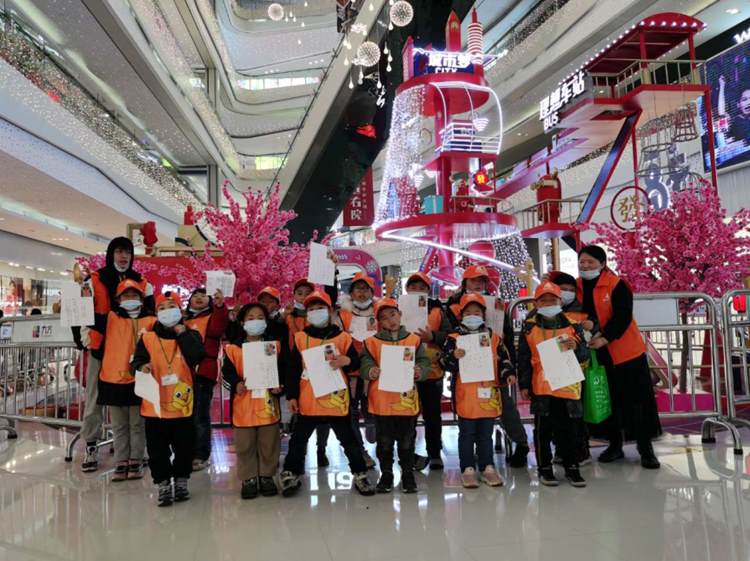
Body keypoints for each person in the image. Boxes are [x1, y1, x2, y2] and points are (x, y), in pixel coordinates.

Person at [279, 290, 375, 497]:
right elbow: (292, 370)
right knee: (299, 439)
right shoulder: (300, 338)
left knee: (348, 439)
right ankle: (291, 472)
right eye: (311, 309)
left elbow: (356, 362)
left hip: (336, 400)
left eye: (320, 308)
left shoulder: (343, 338)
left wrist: (347, 361)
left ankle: (359, 472)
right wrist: (292, 396)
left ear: (330, 311)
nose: (316, 312)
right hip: (309, 400)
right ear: (307, 314)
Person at [576, 245, 661, 469]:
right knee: (607, 400)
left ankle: (646, 449)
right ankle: (614, 445)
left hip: (626, 353)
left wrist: (605, 337)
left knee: (637, 402)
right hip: (598, 356)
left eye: (590, 262)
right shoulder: (577, 286)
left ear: (602, 264)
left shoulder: (616, 284)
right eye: (582, 262)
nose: (585, 266)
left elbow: (623, 316)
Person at [80, 237, 153, 473]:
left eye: (128, 252)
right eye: (119, 252)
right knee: (94, 398)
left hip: (134, 350)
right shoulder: (95, 279)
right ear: (111, 253)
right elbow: (80, 312)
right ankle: (91, 444)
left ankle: (137, 450)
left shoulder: (142, 282)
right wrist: (81, 339)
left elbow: (151, 313)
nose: (124, 257)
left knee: (139, 399)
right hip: (101, 349)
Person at [446, 265, 529, 467]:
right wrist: (453, 354)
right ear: (464, 282)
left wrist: (508, 366)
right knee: (468, 416)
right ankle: (471, 456)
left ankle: (520, 443)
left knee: (505, 406)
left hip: (493, 366)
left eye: (481, 280)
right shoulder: (451, 305)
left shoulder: (496, 303)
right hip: (465, 371)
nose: (477, 284)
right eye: (473, 280)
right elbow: (445, 335)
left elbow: (506, 334)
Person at [131, 292, 206, 507]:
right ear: (156, 313)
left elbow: (196, 357)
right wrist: (141, 366)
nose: (167, 311)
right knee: (157, 450)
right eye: (161, 308)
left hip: (183, 406)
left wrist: (182, 334)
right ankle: (163, 483)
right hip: (155, 407)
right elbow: (135, 362)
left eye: (171, 306)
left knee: (184, 447)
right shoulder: (147, 338)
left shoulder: (191, 334)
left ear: (180, 311)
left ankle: (181, 481)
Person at [518, 282, 590, 487]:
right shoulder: (529, 327)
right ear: (536, 303)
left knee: (569, 429)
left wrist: (576, 347)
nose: (548, 303)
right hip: (542, 386)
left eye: (553, 300)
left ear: (560, 302)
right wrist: (524, 385)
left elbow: (585, 356)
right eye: (543, 300)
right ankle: (544, 468)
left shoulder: (573, 325)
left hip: (568, 385)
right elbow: (523, 358)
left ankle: (572, 467)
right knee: (543, 430)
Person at [441, 294, 513, 488]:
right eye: (468, 313)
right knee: (466, 434)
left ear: (483, 315)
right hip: (465, 395)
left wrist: (508, 374)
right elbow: (444, 363)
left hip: (488, 394)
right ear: (461, 315)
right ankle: (467, 468)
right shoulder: (454, 339)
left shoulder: (494, 338)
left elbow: (505, 360)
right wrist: (453, 356)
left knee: (486, 434)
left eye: (477, 312)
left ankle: (487, 467)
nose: (472, 315)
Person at [360, 298, 431, 493]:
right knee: (384, 441)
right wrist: (370, 370)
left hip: (406, 401)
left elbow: (425, 362)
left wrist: (420, 370)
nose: (390, 320)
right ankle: (386, 474)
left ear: (400, 315)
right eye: (384, 318)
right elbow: (365, 363)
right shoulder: (371, 343)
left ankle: (407, 473)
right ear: (379, 322)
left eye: (392, 314)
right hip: (382, 401)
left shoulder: (414, 340)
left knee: (407, 440)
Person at [222, 303, 284, 499]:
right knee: (244, 444)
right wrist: (236, 383)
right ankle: (248, 478)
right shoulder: (232, 349)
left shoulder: (274, 346)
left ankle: (267, 476)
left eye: (260, 317)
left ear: (266, 322)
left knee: (269, 443)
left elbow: (282, 371)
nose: (255, 321)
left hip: (267, 406)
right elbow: (226, 374)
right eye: (250, 318)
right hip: (243, 406)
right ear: (242, 323)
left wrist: (279, 386)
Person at [96, 279, 156, 481]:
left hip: (139, 377)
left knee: (137, 424)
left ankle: (136, 459)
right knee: (119, 425)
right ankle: (121, 460)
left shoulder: (151, 320)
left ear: (142, 298)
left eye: (134, 295)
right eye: (126, 296)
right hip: (112, 378)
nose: (130, 298)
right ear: (118, 299)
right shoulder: (110, 318)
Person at [536, 271, 596, 465]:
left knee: (575, 416)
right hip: (545, 379)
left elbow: (585, 349)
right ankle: (559, 453)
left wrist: (584, 336)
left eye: (571, 290)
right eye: (563, 289)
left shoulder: (579, 316)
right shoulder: (533, 321)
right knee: (551, 419)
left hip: (572, 376)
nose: (567, 293)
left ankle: (580, 451)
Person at [402, 272, 449, 470]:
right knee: (408, 416)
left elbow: (449, 335)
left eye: (422, 288)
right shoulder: (398, 309)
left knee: (432, 415)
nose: (417, 291)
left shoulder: (438, 310)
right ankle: (408, 455)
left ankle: (435, 453)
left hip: (432, 371)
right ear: (406, 289)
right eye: (413, 287)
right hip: (405, 370)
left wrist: (433, 336)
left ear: (429, 291)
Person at [184, 288, 230, 472]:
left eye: (203, 295)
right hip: (183, 373)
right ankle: (186, 452)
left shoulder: (213, 317)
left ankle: (201, 455)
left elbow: (218, 327)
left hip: (204, 372)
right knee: (185, 415)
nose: (199, 298)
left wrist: (220, 306)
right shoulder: (183, 320)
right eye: (195, 295)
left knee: (200, 416)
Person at [336, 272, 378, 469]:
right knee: (351, 413)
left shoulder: (380, 311)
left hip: (374, 370)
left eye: (365, 289)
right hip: (350, 371)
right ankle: (361, 452)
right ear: (351, 292)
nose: (361, 293)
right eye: (357, 289)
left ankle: (375, 434)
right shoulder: (342, 314)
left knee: (373, 408)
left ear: (372, 292)